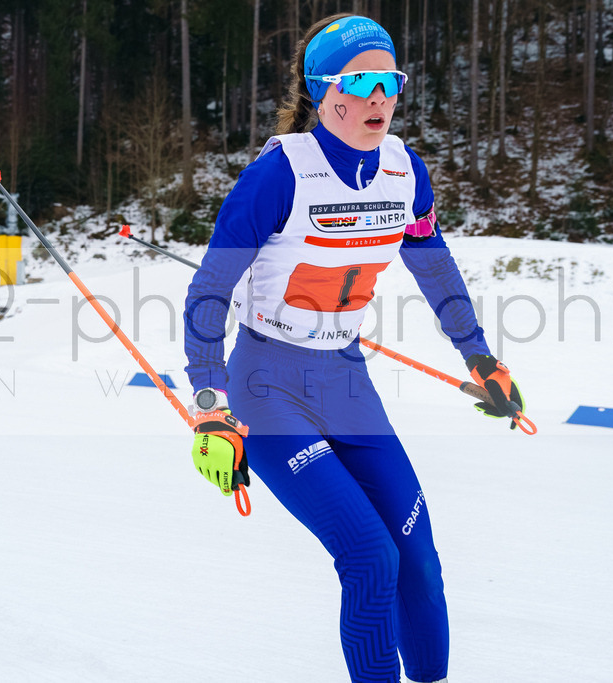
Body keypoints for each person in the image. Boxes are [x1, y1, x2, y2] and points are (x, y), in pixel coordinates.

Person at [182, 14, 525, 683]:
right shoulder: (277, 175)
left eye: (389, 82)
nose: (378, 98)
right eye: (360, 81)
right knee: (370, 554)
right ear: (323, 91)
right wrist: (209, 405)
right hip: (266, 384)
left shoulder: (405, 172)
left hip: (344, 379)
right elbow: (209, 290)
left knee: (418, 557)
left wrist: (480, 358)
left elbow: (434, 267)